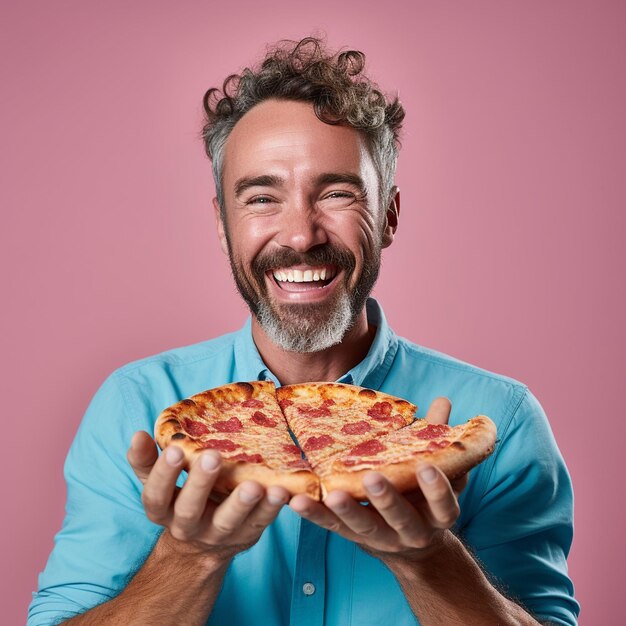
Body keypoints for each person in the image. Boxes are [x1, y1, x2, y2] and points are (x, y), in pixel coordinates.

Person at [28, 37, 579, 626]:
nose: (300, 235)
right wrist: (189, 557)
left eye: (337, 193)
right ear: (222, 224)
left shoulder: (504, 418)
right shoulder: (134, 404)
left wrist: (428, 560)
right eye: (262, 197)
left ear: (388, 215)